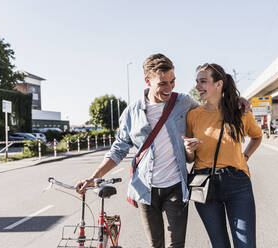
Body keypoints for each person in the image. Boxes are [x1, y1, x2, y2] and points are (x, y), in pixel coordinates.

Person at [76, 53, 199, 248]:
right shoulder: (132, 113)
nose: (169, 88)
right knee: (155, 244)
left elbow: (210, 112)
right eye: (162, 84)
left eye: (172, 82)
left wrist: (237, 101)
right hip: (145, 189)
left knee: (177, 244)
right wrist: (94, 177)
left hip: (175, 184)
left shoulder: (183, 102)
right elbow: (118, 150)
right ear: (147, 80)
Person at [183, 63, 262, 248]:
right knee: (219, 245)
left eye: (203, 81)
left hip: (238, 183)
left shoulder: (240, 111)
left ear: (218, 84)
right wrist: (189, 149)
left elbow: (257, 137)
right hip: (204, 183)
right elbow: (189, 159)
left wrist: (246, 157)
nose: (197, 86)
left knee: (246, 245)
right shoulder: (193, 115)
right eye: (197, 81)